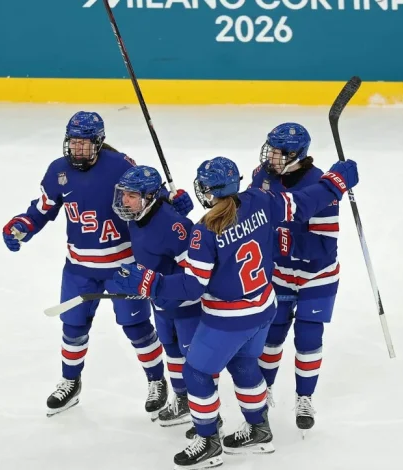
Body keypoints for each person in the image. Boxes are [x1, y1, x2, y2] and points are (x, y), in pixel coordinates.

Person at [109, 156, 358, 469]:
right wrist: (336, 182)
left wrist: (150, 282)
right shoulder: (260, 200)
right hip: (264, 308)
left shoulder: (206, 231)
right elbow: (306, 202)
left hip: (229, 318)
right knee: (243, 365)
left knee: (196, 373)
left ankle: (208, 442)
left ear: (208, 192)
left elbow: (192, 287)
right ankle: (258, 429)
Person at [2, 111, 176, 418]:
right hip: (79, 268)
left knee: (136, 327)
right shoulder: (57, 171)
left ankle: (156, 381)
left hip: (122, 265)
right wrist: (23, 225)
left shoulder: (120, 165)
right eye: (74, 143)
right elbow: (42, 209)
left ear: (99, 142)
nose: (77, 149)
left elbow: (149, 199)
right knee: (73, 326)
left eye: (85, 144)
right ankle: (71, 382)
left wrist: (171, 201)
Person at [110, 165, 221, 428]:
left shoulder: (173, 226)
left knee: (197, 362)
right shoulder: (136, 217)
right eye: (124, 193)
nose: (125, 201)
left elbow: (194, 272)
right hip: (160, 303)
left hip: (186, 306)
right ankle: (183, 400)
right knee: (171, 349)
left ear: (149, 197)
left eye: (132, 195)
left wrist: (158, 286)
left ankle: (210, 417)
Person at [250, 123, 341, 434]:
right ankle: (264, 389)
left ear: (296, 155)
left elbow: (325, 244)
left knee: (308, 337)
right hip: (279, 272)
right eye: (270, 148)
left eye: (278, 152)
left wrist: (286, 237)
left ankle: (304, 397)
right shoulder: (262, 176)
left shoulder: (322, 186)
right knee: (271, 335)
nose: (271, 156)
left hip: (317, 274)